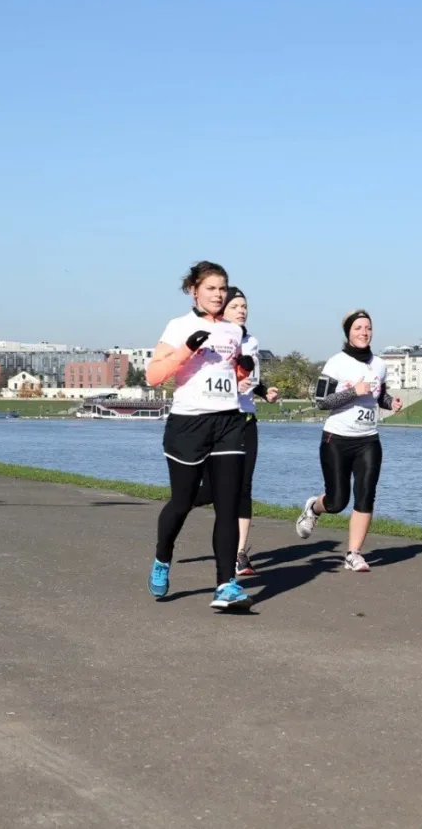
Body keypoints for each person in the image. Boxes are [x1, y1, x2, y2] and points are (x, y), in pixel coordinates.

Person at [144, 261, 254, 610]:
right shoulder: (179, 327)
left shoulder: (234, 331)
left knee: (228, 504)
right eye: (211, 288)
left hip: (228, 422)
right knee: (182, 501)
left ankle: (226, 584)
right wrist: (187, 349)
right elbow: (154, 376)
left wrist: (242, 371)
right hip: (189, 424)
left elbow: (231, 375)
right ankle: (163, 557)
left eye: (223, 289)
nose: (218, 295)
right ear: (194, 290)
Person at [294, 310, 403, 572]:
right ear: (348, 333)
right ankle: (313, 507)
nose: (364, 332)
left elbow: (379, 397)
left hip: (368, 439)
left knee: (366, 495)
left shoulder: (379, 364)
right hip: (337, 438)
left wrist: (391, 403)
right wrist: (353, 391)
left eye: (368, 327)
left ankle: (354, 554)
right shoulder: (336, 363)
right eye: (358, 328)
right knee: (337, 501)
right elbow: (321, 402)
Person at [195, 287, 278, 578]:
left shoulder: (252, 342)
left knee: (243, 486)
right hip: (215, 418)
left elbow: (251, 377)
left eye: (245, 306)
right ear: (222, 310)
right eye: (235, 306)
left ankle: (239, 554)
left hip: (245, 418)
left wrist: (264, 390)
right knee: (210, 489)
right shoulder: (212, 339)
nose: (242, 310)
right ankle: (190, 498)